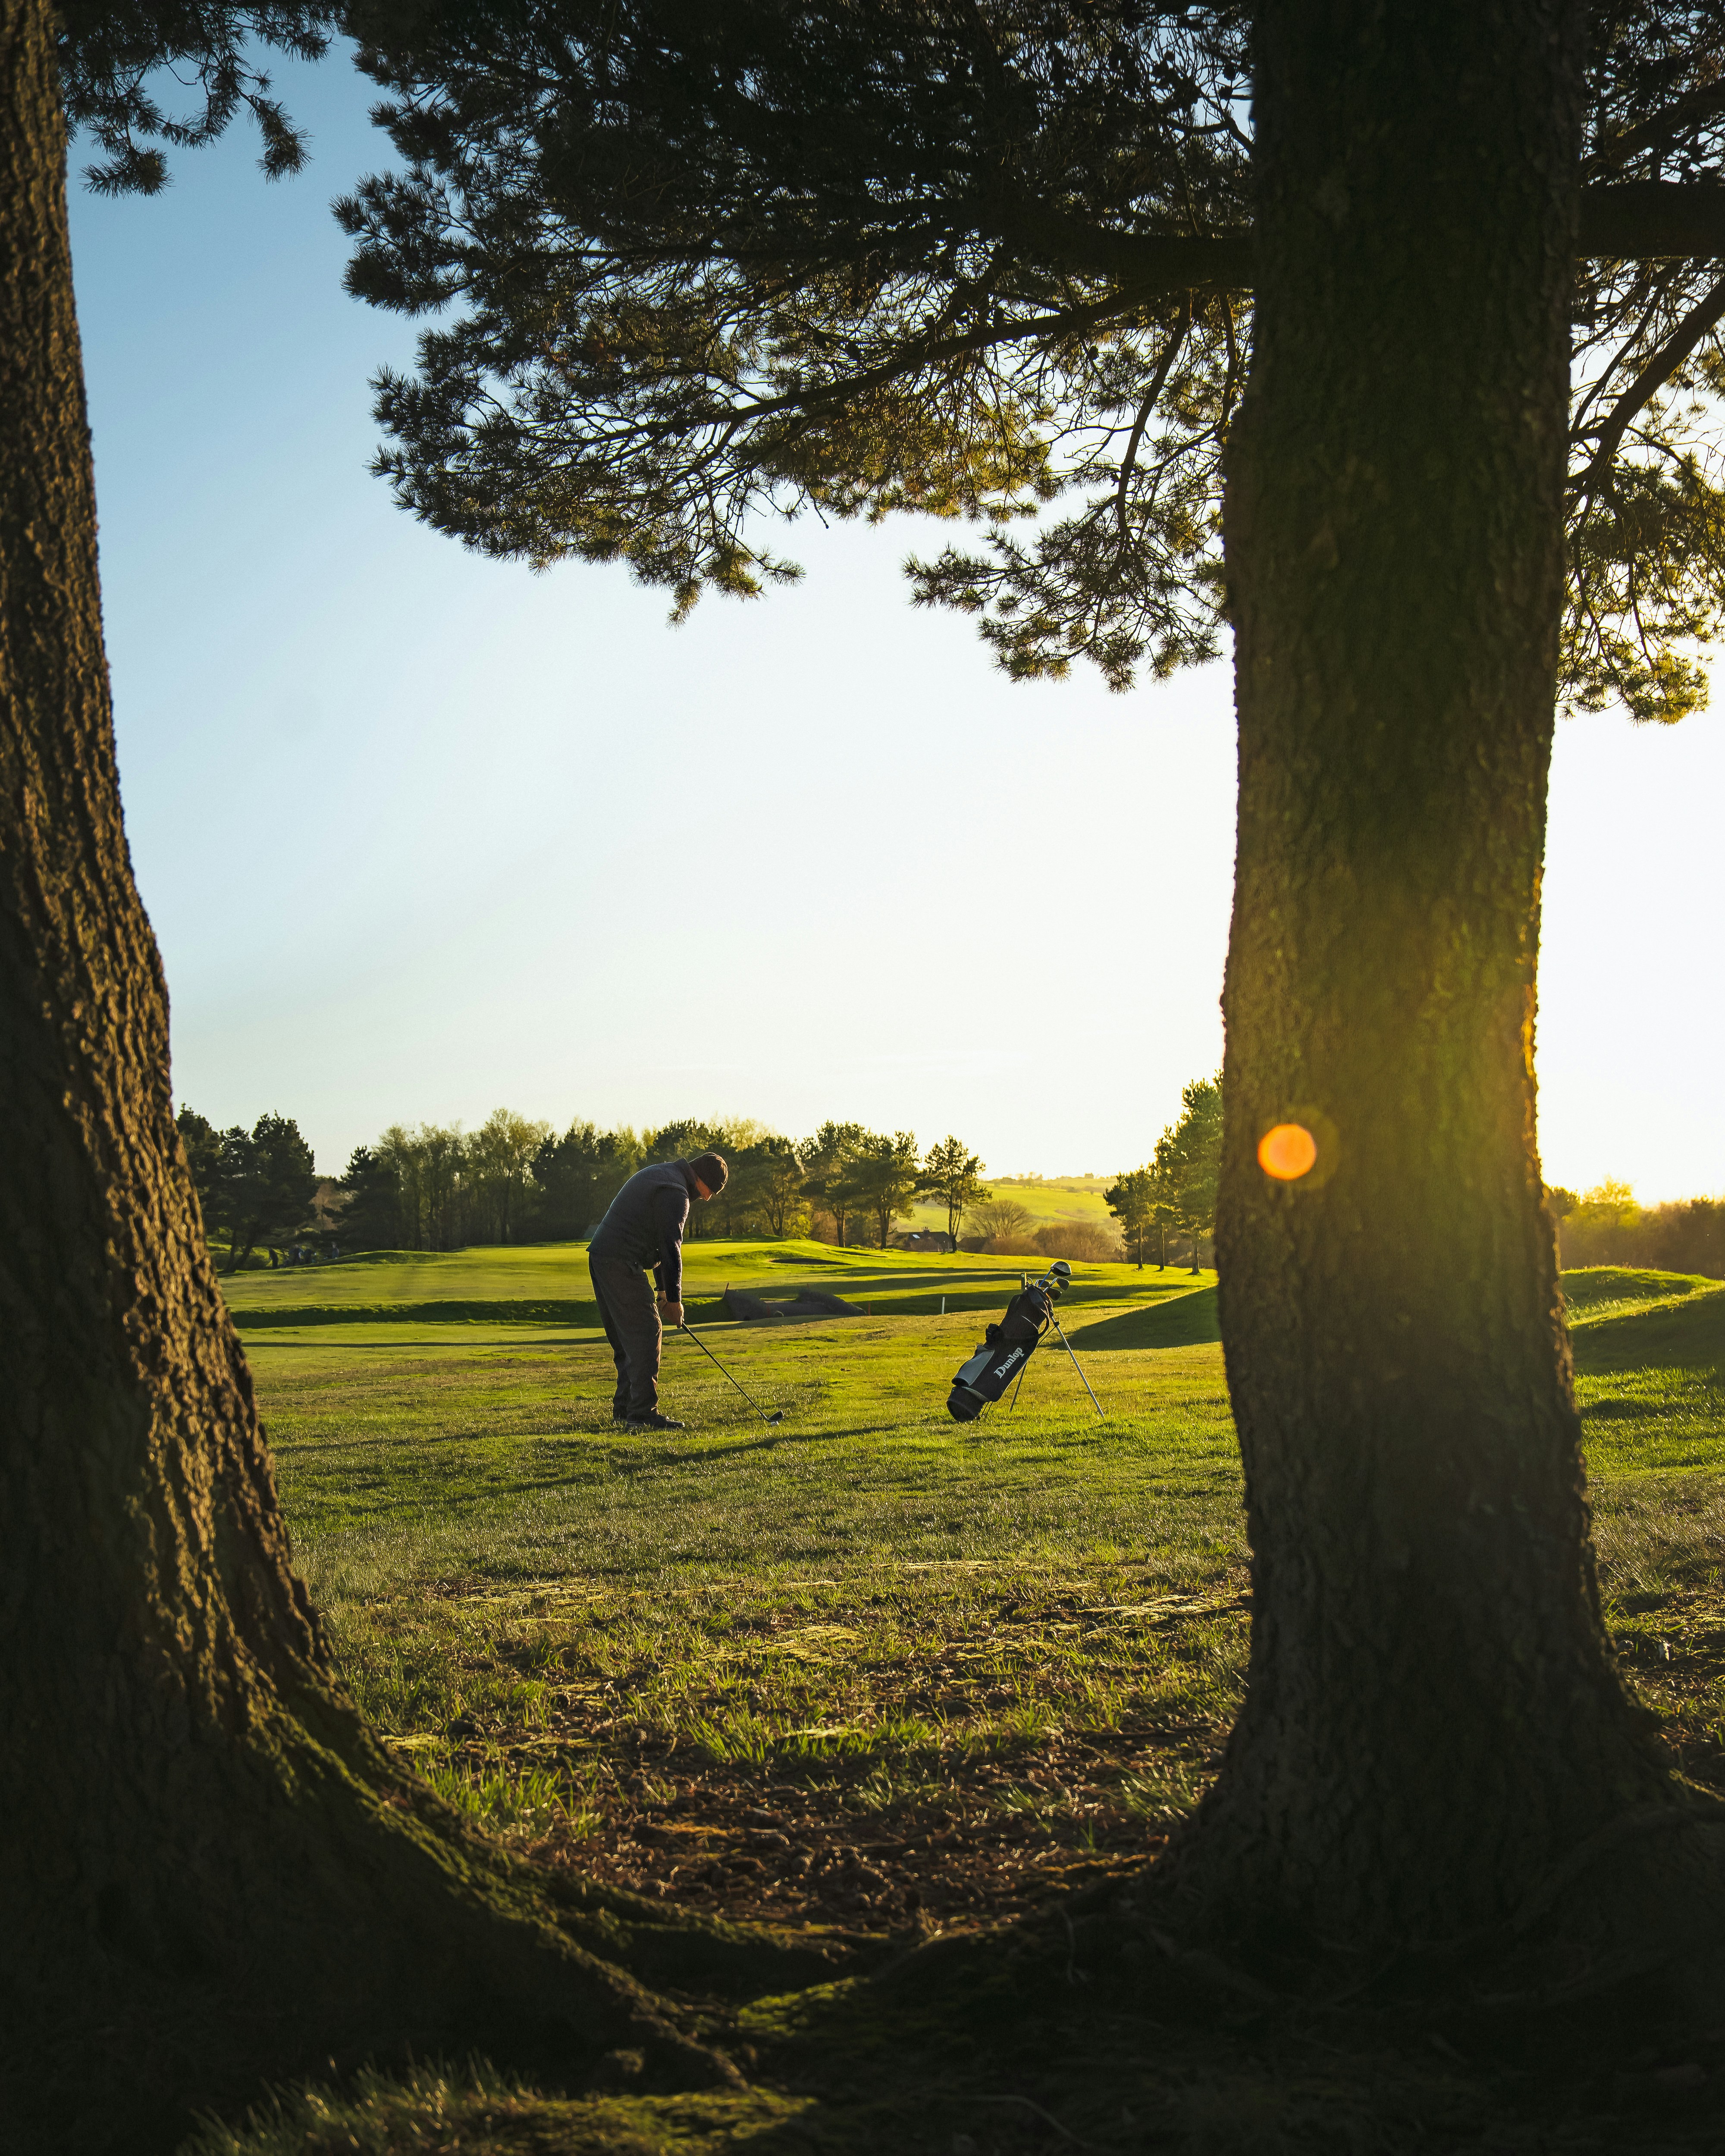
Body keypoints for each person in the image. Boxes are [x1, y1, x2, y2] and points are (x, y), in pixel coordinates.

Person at [586, 1150, 728, 1429]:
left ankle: (625, 1411)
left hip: (605, 1257)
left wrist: (664, 1292)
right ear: (701, 1179)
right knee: (646, 1332)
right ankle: (642, 1415)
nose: (709, 1197)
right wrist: (675, 1301)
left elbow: (660, 1245)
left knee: (628, 1339)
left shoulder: (663, 1175)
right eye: (711, 1190)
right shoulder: (675, 1192)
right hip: (621, 1261)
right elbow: (671, 1247)